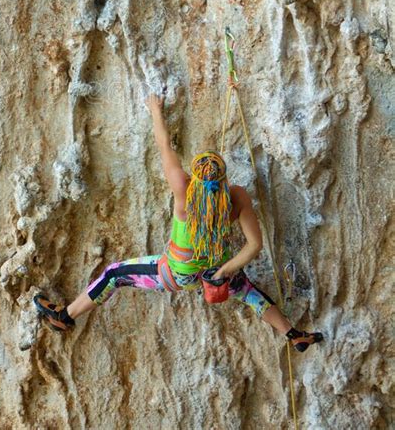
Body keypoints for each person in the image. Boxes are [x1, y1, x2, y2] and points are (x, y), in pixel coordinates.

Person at [34, 91, 323, 353]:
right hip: (215, 271)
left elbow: (164, 147)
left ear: (196, 178)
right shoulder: (236, 197)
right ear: (224, 178)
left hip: (178, 272)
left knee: (113, 274)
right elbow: (254, 245)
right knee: (248, 291)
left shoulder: (183, 191)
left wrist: (156, 110)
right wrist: (224, 271)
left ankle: (65, 317)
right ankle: (293, 333)